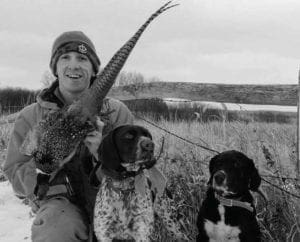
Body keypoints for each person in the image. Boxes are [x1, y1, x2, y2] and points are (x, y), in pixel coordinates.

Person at [3, 30, 134, 242]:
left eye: (82, 58)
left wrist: (104, 154)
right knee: (57, 229)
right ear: (55, 68)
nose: (74, 65)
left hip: (113, 200)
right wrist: (46, 161)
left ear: (93, 70)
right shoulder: (32, 117)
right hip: (59, 204)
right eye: (65, 57)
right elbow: (15, 174)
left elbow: (138, 173)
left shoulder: (117, 112)